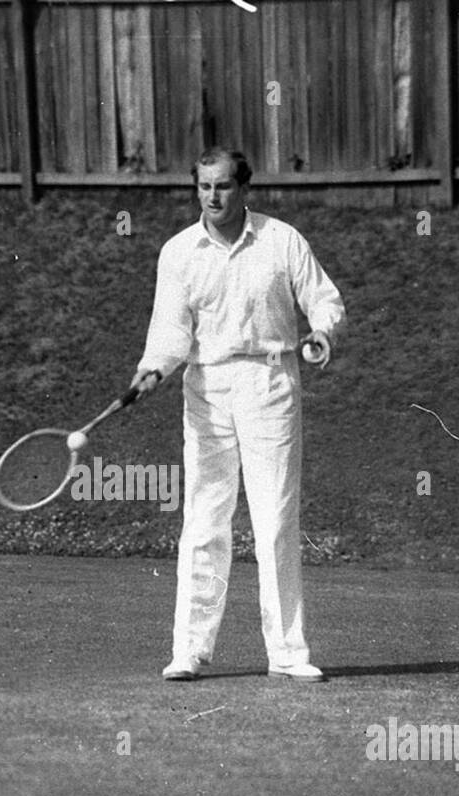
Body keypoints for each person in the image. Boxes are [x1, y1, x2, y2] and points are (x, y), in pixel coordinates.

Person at [130, 147, 346, 683]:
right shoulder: (179, 252)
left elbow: (325, 300)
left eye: (223, 186)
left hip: (270, 384)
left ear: (244, 188)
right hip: (206, 389)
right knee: (204, 520)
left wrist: (320, 333)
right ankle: (190, 651)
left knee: (274, 520)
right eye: (204, 187)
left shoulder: (282, 240)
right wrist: (153, 367)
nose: (212, 196)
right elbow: (170, 331)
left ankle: (288, 653)